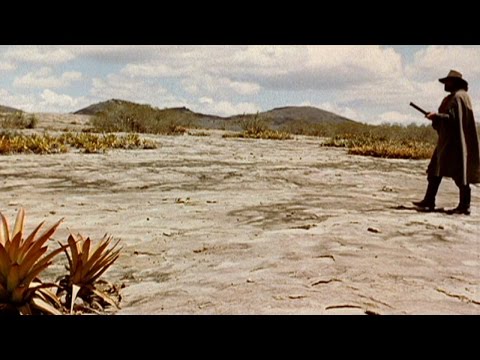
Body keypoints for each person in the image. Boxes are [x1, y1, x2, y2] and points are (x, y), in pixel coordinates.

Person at [413, 69, 480, 215]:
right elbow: (447, 119)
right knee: (434, 171)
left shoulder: (459, 97)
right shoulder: (451, 98)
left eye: (448, 82)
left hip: (456, 144)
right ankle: (429, 201)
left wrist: (437, 116)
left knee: (460, 174)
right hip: (446, 142)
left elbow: (453, 119)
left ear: (455, 83)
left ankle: (464, 205)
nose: (445, 84)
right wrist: (436, 118)